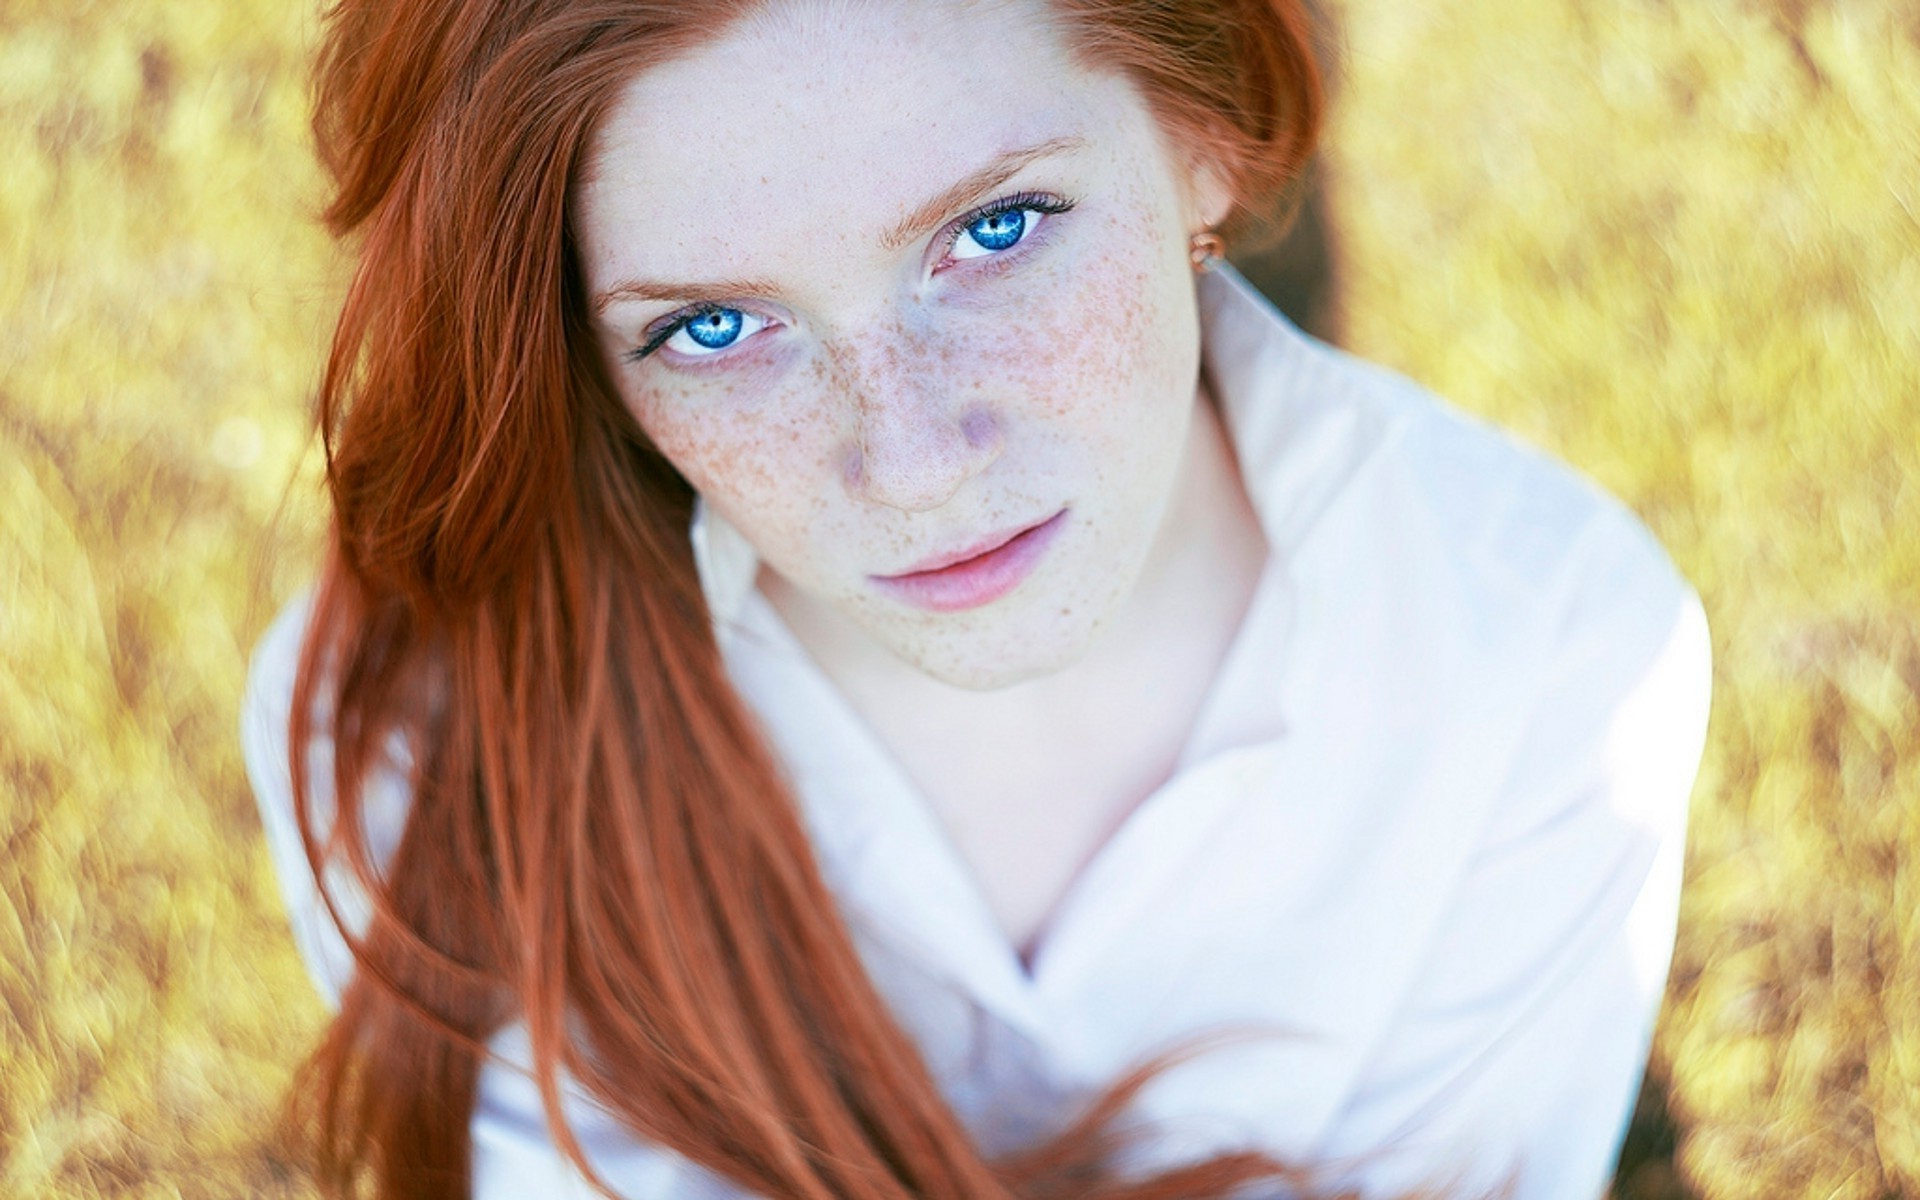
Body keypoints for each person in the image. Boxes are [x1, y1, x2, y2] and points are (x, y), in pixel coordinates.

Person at [240, 1, 1714, 1197]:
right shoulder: (417, 742)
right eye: (712, 326)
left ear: (1202, 135)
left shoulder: (1550, 661)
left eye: (994, 231)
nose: (913, 461)